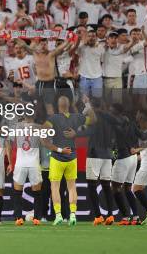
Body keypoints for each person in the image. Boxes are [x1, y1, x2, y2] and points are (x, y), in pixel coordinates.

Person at [44, 94, 95, 226]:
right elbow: (93, 119)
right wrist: (87, 104)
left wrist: (59, 149)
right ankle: (72, 215)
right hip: (72, 156)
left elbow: (43, 137)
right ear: (69, 105)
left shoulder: (53, 119)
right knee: (71, 187)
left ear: (58, 106)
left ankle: (58, 215)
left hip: (57, 157)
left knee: (55, 187)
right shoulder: (77, 117)